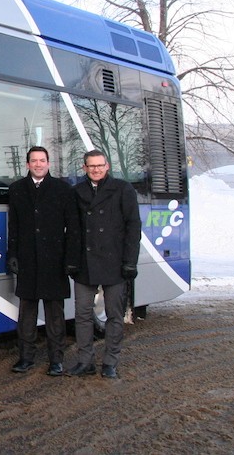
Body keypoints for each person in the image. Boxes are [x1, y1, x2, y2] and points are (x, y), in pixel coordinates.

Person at [67, 149, 141, 379]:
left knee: (114, 315)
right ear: (84, 168)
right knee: (82, 315)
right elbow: (73, 231)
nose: (96, 169)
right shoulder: (77, 192)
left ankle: (110, 362)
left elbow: (133, 227)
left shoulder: (123, 189)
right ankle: (85, 361)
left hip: (115, 263)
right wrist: (71, 261)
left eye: (100, 165)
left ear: (107, 166)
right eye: (91, 166)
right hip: (85, 264)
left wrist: (130, 262)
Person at [6, 146, 79, 377]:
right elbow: (14, 226)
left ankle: (56, 360)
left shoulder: (63, 189)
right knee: (26, 315)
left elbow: (73, 228)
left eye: (42, 160)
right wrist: (12, 254)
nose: (38, 164)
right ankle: (25, 358)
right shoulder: (17, 189)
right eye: (34, 161)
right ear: (28, 164)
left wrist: (70, 259)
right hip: (27, 260)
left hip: (54, 261)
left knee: (55, 316)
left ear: (48, 163)